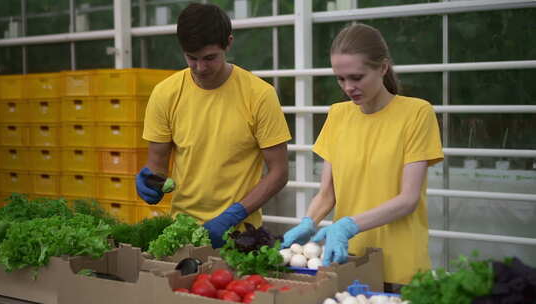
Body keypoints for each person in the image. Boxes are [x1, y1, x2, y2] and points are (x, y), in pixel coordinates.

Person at [281, 23, 444, 288]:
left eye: (357, 77)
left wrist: (347, 225)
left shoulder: (416, 114)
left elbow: (408, 199)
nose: (348, 87)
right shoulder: (338, 115)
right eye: (340, 78)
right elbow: (327, 193)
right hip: (348, 261)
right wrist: (309, 222)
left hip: (401, 268)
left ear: (383, 67)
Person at [136, 3, 291, 249]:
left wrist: (234, 215)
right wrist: (150, 183)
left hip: (242, 234)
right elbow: (156, 167)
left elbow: (279, 172)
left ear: (228, 43)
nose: (200, 68)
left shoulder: (259, 95)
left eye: (210, 58)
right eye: (192, 58)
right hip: (182, 232)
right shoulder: (165, 94)